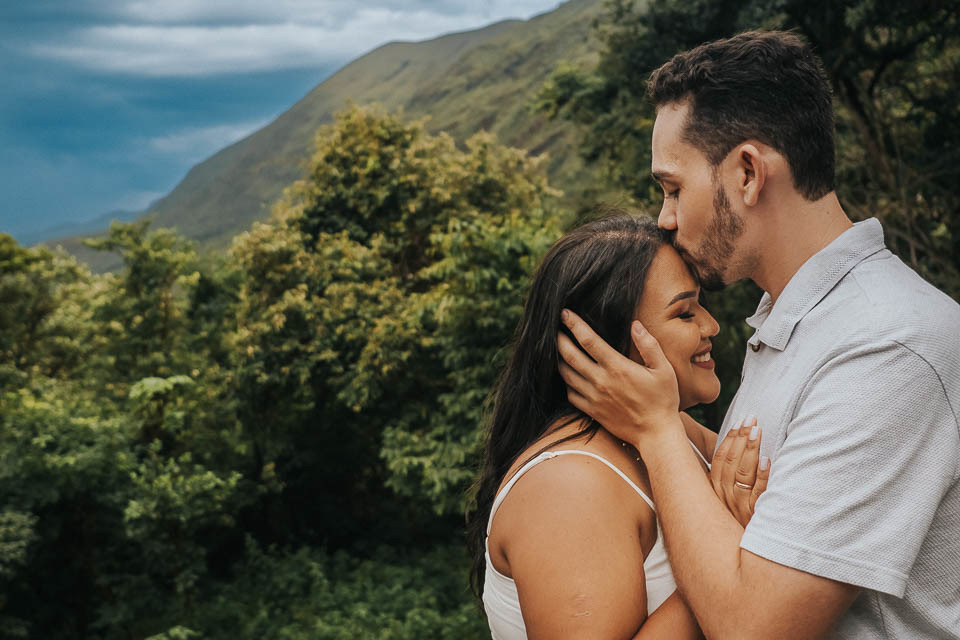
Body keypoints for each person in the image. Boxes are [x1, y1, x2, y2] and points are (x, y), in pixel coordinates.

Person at [557, 31, 960, 639]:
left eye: (673, 188)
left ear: (747, 173)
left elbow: (755, 629)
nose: (665, 218)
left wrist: (658, 429)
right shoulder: (800, 320)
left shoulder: (886, 346)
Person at [467, 213, 771, 639]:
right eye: (684, 313)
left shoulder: (676, 435)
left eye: (701, 305)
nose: (711, 326)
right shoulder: (567, 487)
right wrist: (724, 548)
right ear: (609, 345)